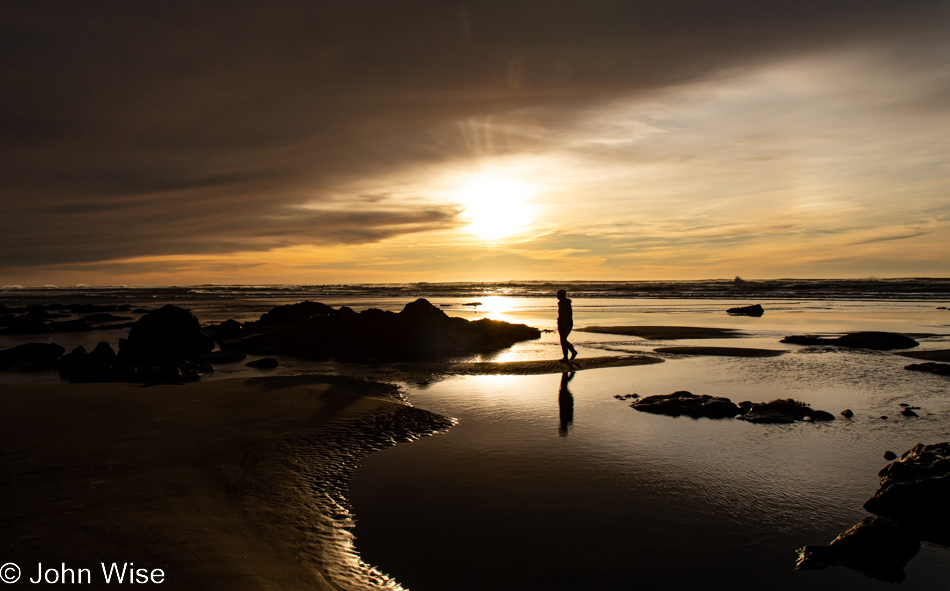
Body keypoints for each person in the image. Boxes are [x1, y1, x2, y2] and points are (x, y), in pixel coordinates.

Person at [556, 289, 578, 362]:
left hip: (567, 323)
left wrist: (565, 322)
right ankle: (565, 357)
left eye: (558, 295)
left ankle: (573, 351)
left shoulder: (566, 303)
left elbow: (568, 314)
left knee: (563, 339)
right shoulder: (560, 303)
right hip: (561, 323)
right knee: (562, 340)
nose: (557, 296)